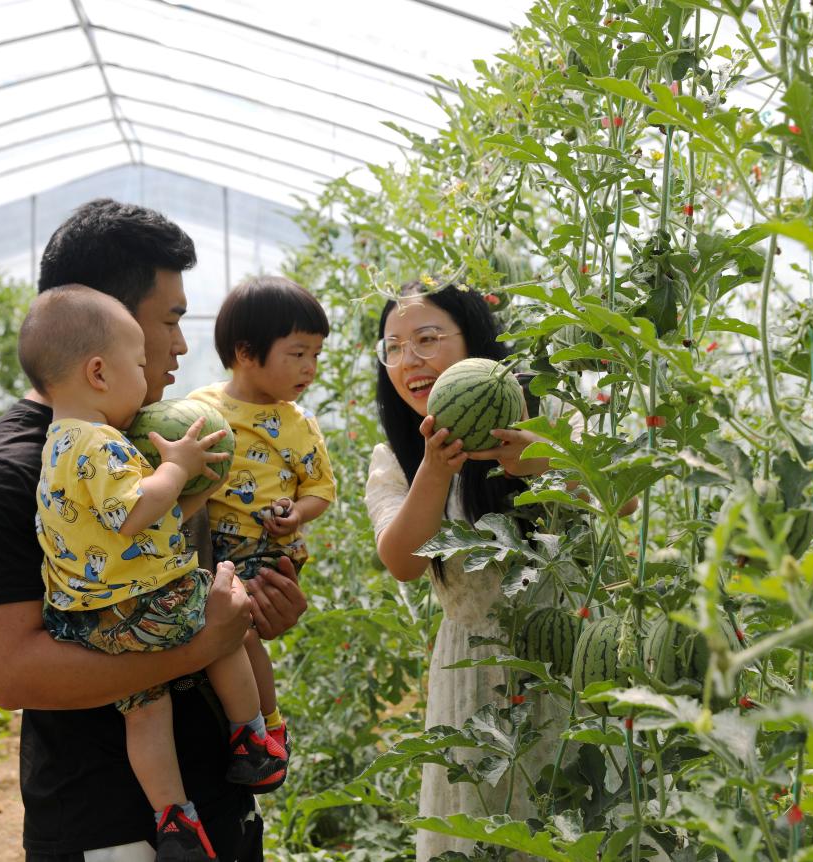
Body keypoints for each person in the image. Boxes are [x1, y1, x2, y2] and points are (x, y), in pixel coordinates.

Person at [0, 198, 307, 862]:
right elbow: (13, 674)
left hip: (220, 804)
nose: (179, 345)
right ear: (101, 327)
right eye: (169, 321)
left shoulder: (149, 438)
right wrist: (205, 643)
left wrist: (256, 611)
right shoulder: (4, 474)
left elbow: (191, 590)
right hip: (111, 829)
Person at [21, 285, 285, 860]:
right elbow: (136, 507)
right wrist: (178, 466)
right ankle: (253, 737)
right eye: (139, 365)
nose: (149, 377)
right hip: (148, 605)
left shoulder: (54, 447)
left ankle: (173, 818)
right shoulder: (102, 442)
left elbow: (124, 530)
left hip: (93, 621)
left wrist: (188, 497)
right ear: (98, 372)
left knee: (146, 709)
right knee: (227, 618)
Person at [363, 281, 570, 861]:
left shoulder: (549, 413)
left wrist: (537, 459)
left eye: (427, 340)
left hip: (569, 659)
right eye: (394, 347)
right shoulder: (395, 459)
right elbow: (401, 561)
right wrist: (433, 469)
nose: (410, 361)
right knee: (481, 833)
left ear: (475, 342)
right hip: (473, 674)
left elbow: (622, 501)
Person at [188, 275, 337, 790]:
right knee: (218, 633)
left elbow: (320, 489)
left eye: (316, 354)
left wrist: (297, 514)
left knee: (240, 631)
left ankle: (264, 730)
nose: (310, 368)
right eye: (298, 353)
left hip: (266, 551)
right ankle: (255, 728)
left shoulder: (298, 425)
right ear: (246, 352)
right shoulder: (202, 408)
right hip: (212, 550)